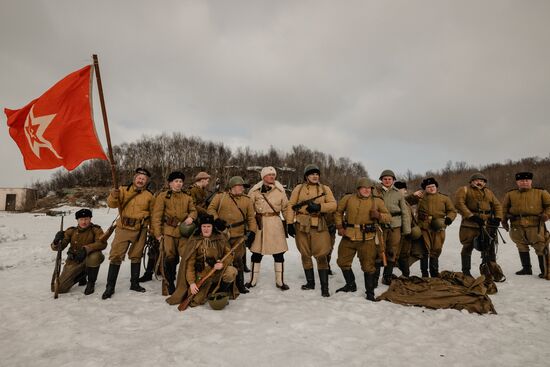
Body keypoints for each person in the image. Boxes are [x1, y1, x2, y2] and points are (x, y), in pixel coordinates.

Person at [102, 168, 155, 299]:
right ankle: (110, 287)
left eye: (144, 179)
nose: (141, 180)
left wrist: (152, 229)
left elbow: (153, 214)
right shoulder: (123, 190)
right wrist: (113, 195)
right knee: (116, 256)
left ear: (146, 181)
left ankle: (134, 283)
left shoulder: (149, 195)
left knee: (136, 256)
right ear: (135, 178)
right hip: (123, 228)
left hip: (140, 229)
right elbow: (111, 204)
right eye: (139, 177)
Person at [335, 178, 391, 301]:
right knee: (342, 261)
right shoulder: (348, 198)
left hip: (368, 238)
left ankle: (370, 292)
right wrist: (339, 227)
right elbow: (338, 212)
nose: (367, 190)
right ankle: (350, 284)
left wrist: (379, 216)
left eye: (369, 188)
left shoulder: (377, 201)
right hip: (349, 236)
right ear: (358, 189)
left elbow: (388, 217)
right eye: (364, 188)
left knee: (368, 266)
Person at [165, 214, 237, 308]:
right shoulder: (195, 240)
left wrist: (222, 264)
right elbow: (189, 265)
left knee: (231, 272)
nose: (206, 229)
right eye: (204, 226)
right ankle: (208, 291)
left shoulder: (220, 238)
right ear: (200, 227)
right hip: (201, 276)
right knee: (195, 301)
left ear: (212, 227)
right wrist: (191, 283)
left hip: (217, 272)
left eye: (208, 226)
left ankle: (220, 292)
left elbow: (229, 255)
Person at [287, 164, 337, 297]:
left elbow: (333, 205)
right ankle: (310, 283)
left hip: (319, 225)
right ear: (306, 176)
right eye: (311, 174)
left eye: (317, 174)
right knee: (305, 254)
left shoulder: (325, 189)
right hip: (301, 225)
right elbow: (291, 205)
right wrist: (289, 223)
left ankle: (324, 288)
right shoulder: (299, 188)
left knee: (321, 255)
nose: (315, 176)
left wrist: (319, 207)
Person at [207, 176, 257, 294]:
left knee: (238, 260)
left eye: (243, 187)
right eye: (240, 186)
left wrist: (252, 231)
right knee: (221, 259)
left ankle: (240, 286)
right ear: (232, 187)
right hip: (221, 235)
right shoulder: (220, 197)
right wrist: (217, 220)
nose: (242, 189)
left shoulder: (247, 200)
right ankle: (221, 284)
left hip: (238, 235)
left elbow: (251, 218)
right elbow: (211, 209)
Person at [151, 171, 197, 294]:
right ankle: (169, 282)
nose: (178, 184)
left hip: (184, 233)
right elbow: (156, 216)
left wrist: (191, 217)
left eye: (180, 181)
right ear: (170, 183)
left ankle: (185, 282)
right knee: (169, 257)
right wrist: (158, 234)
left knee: (186, 256)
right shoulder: (163, 196)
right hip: (168, 232)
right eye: (176, 181)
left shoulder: (187, 197)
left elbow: (193, 210)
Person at [247, 166, 290, 290]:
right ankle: (252, 281)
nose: (272, 177)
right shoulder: (255, 190)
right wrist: (249, 225)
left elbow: (286, 208)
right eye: (269, 175)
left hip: (275, 224)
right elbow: (249, 208)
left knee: (279, 254)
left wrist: (290, 222)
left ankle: (280, 281)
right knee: (256, 254)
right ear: (263, 177)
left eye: (273, 175)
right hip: (259, 224)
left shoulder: (281, 191)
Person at [454, 172, 503, 277]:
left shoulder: (489, 192)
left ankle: (490, 270)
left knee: (489, 246)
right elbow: (459, 204)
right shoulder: (464, 190)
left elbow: (497, 205)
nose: (479, 182)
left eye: (482, 181)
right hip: (470, 224)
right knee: (468, 246)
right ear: (471, 182)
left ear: (484, 183)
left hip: (487, 224)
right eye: (477, 180)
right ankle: (466, 272)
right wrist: (471, 216)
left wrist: (498, 218)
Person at [502, 172, 550, 278]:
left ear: (531, 181)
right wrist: (504, 221)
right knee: (521, 245)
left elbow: (549, 206)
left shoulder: (541, 192)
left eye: (526, 180)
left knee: (541, 246)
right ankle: (526, 268)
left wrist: (547, 215)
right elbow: (504, 209)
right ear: (517, 182)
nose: (524, 182)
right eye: (521, 180)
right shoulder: (510, 194)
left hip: (535, 225)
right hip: (516, 225)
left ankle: (545, 270)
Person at [51, 209, 107, 295]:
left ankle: (91, 282)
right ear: (77, 220)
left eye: (86, 219)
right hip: (74, 261)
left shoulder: (96, 230)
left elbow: (102, 243)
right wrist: (56, 241)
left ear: (90, 219)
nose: (84, 222)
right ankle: (81, 275)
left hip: (88, 259)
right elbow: (60, 247)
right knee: (59, 288)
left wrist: (86, 249)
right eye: (81, 219)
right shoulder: (71, 231)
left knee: (95, 256)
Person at [411, 177, 457, 277]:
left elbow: (452, 211)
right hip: (423, 227)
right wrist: (413, 196)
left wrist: (449, 218)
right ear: (425, 188)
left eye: (433, 186)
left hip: (438, 227)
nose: (431, 188)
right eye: (428, 187)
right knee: (424, 251)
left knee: (436, 250)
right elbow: (407, 202)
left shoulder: (444, 198)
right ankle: (424, 273)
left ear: (436, 187)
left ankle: (434, 273)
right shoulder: (420, 197)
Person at [373, 170, 412, 285]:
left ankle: (387, 276)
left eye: (390, 179)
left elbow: (404, 212)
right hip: (380, 225)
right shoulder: (375, 191)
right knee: (378, 251)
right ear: (381, 180)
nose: (387, 181)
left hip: (395, 225)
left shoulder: (398, 193)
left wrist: (406, 229)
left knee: (392, 251)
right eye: (385, 179)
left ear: (393, 180)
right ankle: (374, 278)